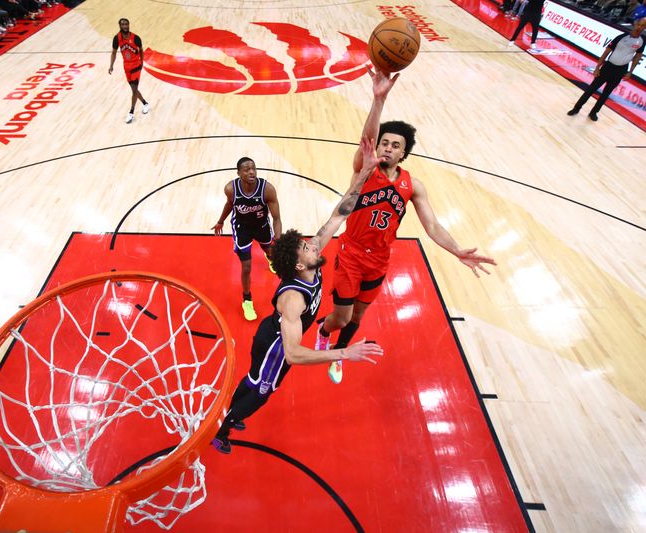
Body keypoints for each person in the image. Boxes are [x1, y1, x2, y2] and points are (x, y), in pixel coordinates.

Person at [211, 133, 390, 454]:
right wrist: (341, 354)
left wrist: (363, 175)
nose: (313, 243)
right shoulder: (293, 297)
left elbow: (339, 213)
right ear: (297, 263)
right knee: (262, 390)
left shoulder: (311, 258)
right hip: (275, 347)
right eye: (306, 247)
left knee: (253, 380)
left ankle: (230, 412)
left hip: (276, 334)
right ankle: (221, 431)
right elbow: (293, 354)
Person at [315, 71, 497, 385]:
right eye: (383, 142)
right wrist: (378, 99)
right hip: (351, 255)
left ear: (403, 153)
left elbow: (433, 225)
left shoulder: (413, 185)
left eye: (394, 145)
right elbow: (367, 140)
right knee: (340, 317)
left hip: (379, 261)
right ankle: (322, 331)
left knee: (357, 318)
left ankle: (342, 352)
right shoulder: (365, 169)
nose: (386, 147)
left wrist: (456, 250)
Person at [211, 157, 282, 321]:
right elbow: (230, 204)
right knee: (246, 267)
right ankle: (247, 300)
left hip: (261, 225)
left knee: (270, 250)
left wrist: (278, 241)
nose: (251, 172)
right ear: (238, 173)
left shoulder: (267, 189)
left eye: (253, 168)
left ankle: (270, 257)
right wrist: (220, 221)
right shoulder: (231, 189)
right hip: (242, 228)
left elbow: (277, 218)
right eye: (247, 169)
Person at [567, 18, 645, 121]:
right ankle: (576, 108)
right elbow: (606, 52)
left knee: (605, 94)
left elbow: (637, 57)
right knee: (591, 89)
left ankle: (594, 112)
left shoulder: (641, 42)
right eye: (639, 24)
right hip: (608, 67)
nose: (640, 27)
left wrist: (630, 72)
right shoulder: (621, 37)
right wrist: (597, 67)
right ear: (635, 24)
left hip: (621, 70)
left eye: (643, 26)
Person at [108, 17, 149, 124]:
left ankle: (131, 113)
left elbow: (141, 51)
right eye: (123, 24)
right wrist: (111, 65)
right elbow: (113, 52)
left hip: (136, 66)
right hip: (126, 66)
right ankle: (145, 103)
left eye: (126, 24)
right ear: (120, 26)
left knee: (134, 90)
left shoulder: (136, 38)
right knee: (133, 90)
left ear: (129, 25)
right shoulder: (117, 38)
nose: (125, 26)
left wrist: (141, 63)